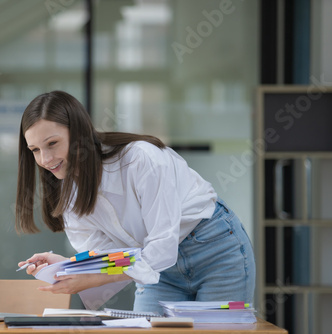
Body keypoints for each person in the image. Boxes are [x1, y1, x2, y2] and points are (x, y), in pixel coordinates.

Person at [15, 90, 255, 314]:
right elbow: (116, 256)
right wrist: (69, 266)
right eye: (35, 150)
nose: (45, 159)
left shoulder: (140, 159)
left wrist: (96, 278)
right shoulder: (69, 196)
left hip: (213, 251)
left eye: (52, 143)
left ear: (79, 134)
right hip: (155, 270)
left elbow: (161, 247)